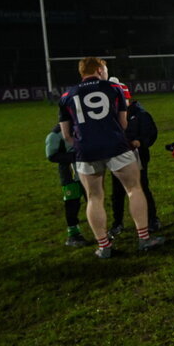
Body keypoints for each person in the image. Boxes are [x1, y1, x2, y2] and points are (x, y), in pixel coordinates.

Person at [58, 57, 164, 258]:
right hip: (115, 146)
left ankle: (104, 247)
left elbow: (66, 135)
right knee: (134, 189)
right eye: (105, 69)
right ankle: (144, 238)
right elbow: (123, 123)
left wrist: (83, 142)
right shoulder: (114, 88)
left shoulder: (67, 95)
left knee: (94, 197)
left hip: (85, 151)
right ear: (99, 69)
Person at [107, 79, 161, 236]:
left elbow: (151, 133)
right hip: (117, 157)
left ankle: (152, 219)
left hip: (138, 157)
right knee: (117, 192)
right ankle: (117, 223)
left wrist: (140, 142)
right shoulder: (110, 116)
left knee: (142, 187)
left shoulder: (141, 114)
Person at [46, 123, 88, 247]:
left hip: (88, 172)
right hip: (70, 175)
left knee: (93, 199)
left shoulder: (82, 127)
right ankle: (73, 235)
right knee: (72, 203)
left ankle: (100, 230)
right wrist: (75, 156)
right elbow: (51, 155)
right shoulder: (56, 134)